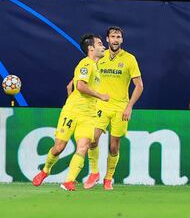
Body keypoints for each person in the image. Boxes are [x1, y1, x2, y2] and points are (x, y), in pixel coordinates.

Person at [32, 34, 109, 191]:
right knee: (59, 147)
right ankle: (45, 170)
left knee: (84, 146)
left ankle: (69, 181)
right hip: (73, 112)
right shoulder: (86, 64)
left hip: (89, 115)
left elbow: (70, 86)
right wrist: (100, 96)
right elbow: (80, 86)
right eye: (100, 44)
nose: (103, 46)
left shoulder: (95, 67)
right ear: (91, 48)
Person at [83, 26, 144, 190]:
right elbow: (86, 74)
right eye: (113, 37)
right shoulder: (99, 57)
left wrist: (129, 106)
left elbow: (139, 85)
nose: (115, 40)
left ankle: (108, 178)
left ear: (122, 40)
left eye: (118, 37)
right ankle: (94, 172)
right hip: (101, 104)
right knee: (92, 139)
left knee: (114, 146)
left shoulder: (130, 59)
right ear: (107, 39)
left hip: (120, 107)